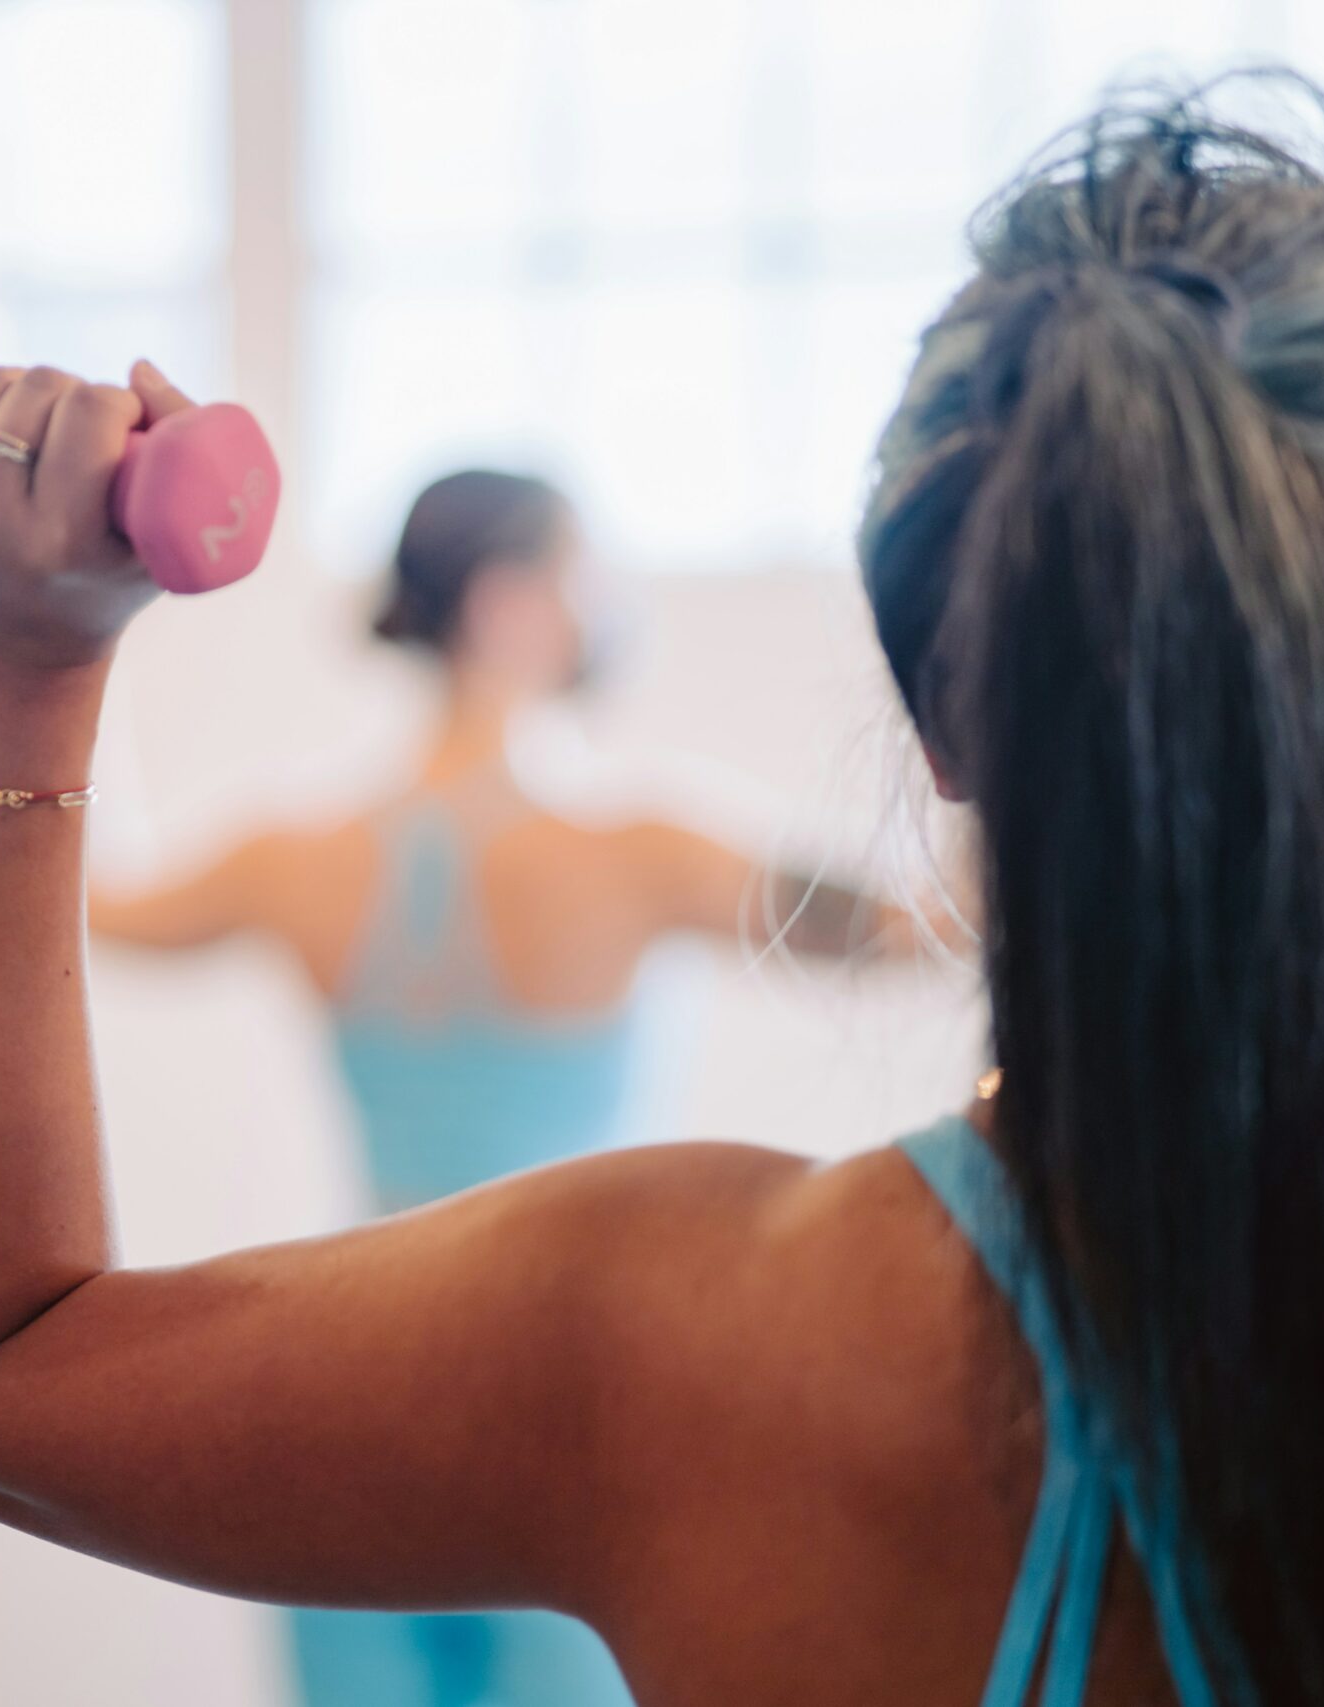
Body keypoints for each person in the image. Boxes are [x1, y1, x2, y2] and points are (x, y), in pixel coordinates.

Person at [0, 86, 1324, 1707]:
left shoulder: (638, 1341)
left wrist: (29, 658)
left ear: (947, 716)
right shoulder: (649, 857)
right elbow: (904, 926)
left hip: (417, 1430)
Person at [88, 470, 919, 1707]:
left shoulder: (292, 857)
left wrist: (72, 632)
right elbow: (922, 928)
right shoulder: (636, 853)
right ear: (510, 602)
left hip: (345, 1389)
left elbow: (101, 901)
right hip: (568, 1410)